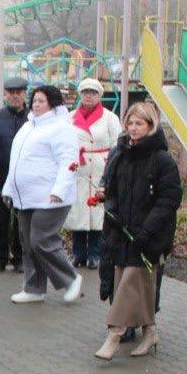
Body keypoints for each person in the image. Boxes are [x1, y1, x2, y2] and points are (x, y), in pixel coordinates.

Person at [93, 102, 182, 361]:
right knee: (138, 286)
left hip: (149, 235)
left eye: (139, 123)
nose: (133, 128)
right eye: (130, 123)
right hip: (123, 232)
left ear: (151, 126)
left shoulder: (162, 160)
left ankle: (114, 334)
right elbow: (113, 188)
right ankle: (150, 331)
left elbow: (168, 201)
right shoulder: (121, 154)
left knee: (130, 283)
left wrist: (147, 231)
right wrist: (105, 196)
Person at [3, 85, 84, 305]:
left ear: (53, 104)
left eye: (41, 101)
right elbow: (16, 161)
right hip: (26, 197)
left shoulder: (61, 127)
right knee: (28, 243)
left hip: (50, 197)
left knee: (41, 239)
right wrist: (9, 188)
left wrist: (59, 190)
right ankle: (34, 288)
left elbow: (68, 161)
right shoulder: (28, 126)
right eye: (35, 101)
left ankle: (71, 278)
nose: (36, 105)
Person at [65, 77, 122, 269]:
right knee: (79, 210)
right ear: (80, 94)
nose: (89, 96)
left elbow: (117, 145)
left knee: (97, 211)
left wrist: (111, 166)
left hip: (100, 169)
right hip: (79, 169)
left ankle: (95, 254)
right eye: (85, 92)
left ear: (99, 95)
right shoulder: (70, 117)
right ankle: (78, 253)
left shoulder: (110, 118)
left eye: (93, 92)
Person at [0, 76, 28, 274]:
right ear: (5, 95)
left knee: (22, 220)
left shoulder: (32, 118)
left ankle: (20, 258)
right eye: (11, 93)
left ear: (24, 94)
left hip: (25, 178)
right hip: (0, 176)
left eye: (18, 93)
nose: (15, 96)